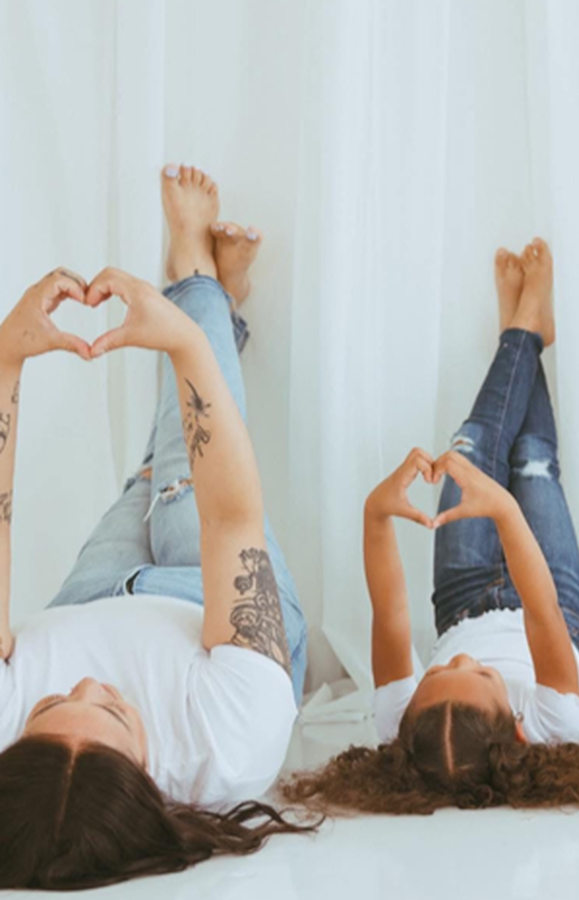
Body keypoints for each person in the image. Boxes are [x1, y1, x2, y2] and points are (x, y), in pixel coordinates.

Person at [284, 239, 579, 813]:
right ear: (515, 726)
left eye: (442, 669)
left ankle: (523, 330)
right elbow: (541, 612)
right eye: (483, 674)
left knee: (471, 445)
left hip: (461, 596)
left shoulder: (400, 727)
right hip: (551, 596)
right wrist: (507, 513)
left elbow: (390, 611)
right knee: (533, 461)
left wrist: (375, 513)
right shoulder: (553, 726)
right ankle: (523, 329)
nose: (462, 659)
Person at [0, 165, 312, 890]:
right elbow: (231, 519)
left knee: (156, 466)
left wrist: (5, 358)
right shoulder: (230, 742)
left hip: (90, 593)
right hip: (210, 611)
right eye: (112, 709)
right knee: (182, 458)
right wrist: (184, 343)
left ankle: (220, 308)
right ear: (153, 783)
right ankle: (198, 280)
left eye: (49, 704)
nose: (85, 682)